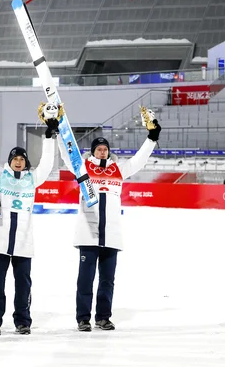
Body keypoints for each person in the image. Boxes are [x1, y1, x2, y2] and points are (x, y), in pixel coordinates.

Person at [58, 118, 161, 332]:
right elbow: (67, 154)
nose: (102, 152)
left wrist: (152, 138)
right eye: (99, 149)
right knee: (85, 281)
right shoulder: (82, 167)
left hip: (111, 236)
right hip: (88, 234)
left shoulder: (118, 170)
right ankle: (83, 319)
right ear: (93, 152)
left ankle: (103, 317)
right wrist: (58, 132)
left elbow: (139, 161)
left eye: (105, 149)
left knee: (107, 281)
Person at [0, 115, 58, 336]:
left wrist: (48, 136)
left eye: (22, 159)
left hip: (23, 242)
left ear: (26, 162)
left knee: (23, 286)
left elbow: (46, 163)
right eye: (15, 158)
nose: (18, 161)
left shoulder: (32, 179)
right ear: (9, 160)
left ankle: (22, 321)